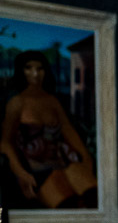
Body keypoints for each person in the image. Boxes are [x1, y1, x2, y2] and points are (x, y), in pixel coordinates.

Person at [0, 50, 96, 208]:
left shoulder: (52, 101)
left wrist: (86, 157)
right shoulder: (16, 103)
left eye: (40, 68)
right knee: (68, 207)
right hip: (36, 171)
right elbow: (5, 143)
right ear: (21, 71)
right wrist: (21, 173)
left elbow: (68, 130)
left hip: (64, 163)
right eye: (29, 68)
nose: (35, 73)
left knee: (93, 197)